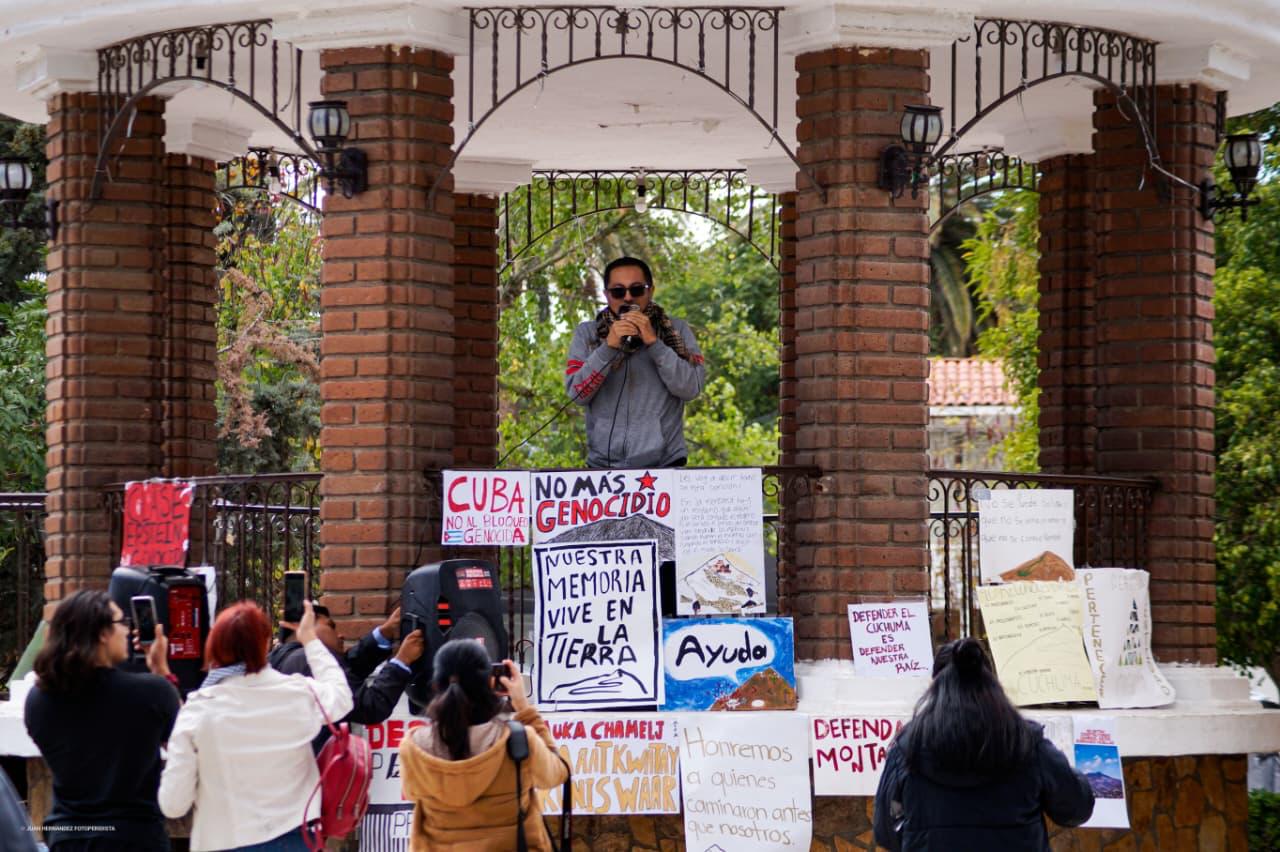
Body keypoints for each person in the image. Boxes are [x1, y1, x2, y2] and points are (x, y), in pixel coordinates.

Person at [158, 600, 353, 851]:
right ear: (265, 643)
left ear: (214, 647)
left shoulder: (198, 711)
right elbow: (342, 697)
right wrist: (309, 640)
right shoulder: (298, 692)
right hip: (295, 837)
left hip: (224, 839)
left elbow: (173, 805)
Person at [873, 637, 1095, 851]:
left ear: (934, 686)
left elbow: (886, 830)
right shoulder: (1025, 740)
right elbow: (1076, 809)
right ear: (992, 682)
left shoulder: (907, 746)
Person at [24, 590, 180, 852]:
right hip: (134, 838)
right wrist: (161, 670)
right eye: (122, 622)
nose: (127, 631)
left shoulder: (38, 700)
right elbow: (184, 740)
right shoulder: (152, 693)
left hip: (68, 837)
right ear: (102, 633)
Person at [399, 640, 569, 851]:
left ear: (435, 686)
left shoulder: (414, 747)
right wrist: (524, 709)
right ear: (491, 683)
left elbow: (412, 793)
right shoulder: (519, 740)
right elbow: (557, 773)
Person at [565, 256, 705, 469]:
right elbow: (577, 394)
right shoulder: (588, 334)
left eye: (637, 289)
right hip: (603, 467)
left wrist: (654, 343)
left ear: (651, 291)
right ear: (606, 295)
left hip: (664, 465)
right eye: (618, 291)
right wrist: (607, 348)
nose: (628, 297)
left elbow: (691, 388)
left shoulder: (677, 330)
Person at [268, 603, 424, 745]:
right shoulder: (307, 660)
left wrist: (384, 633)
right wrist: (402, 660)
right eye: (330, 626)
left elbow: (346, 672)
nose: (340, 635)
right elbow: (370, 706)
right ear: (304, 626)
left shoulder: (286, 659)